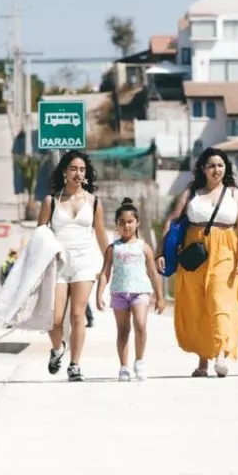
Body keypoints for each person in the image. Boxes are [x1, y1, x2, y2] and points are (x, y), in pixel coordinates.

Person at [157, 148, 238, 377]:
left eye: (220, 165)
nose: (216, 170)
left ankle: (220, 354)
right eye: (211, 165)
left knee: (219, 301)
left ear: (226, 167)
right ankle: (202, 360)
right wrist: (162, 252)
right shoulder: (191, 193)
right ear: (203, 169)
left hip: (226, 250)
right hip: (194, 252)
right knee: (198, 304)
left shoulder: (234, 194)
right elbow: (172, 220)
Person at [38, 150, 109, 382]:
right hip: (58, 264)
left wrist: (109, 263)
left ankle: (75, 365)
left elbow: (100, 235)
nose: (78, 173)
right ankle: (58, 349)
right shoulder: (51, 201)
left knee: (78, 315)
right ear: (65, 173)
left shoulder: (94, 202)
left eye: (82, 169)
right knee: (54, 318)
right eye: (73, 169)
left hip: (84, 263)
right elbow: (39, 236)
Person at [96, 197, 165, 381]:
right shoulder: (113, 248)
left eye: (129, 222)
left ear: (137, 223)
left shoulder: (144, 247)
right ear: (116, 225)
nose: (126, 226)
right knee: (123, 330)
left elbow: (153, 272)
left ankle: (139, 361)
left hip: (140, 291)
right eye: (121, 222)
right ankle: (124, 367)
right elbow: (105, 273)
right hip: (119, 292)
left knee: (140, 325)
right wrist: (99, 293)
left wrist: (160, 297)